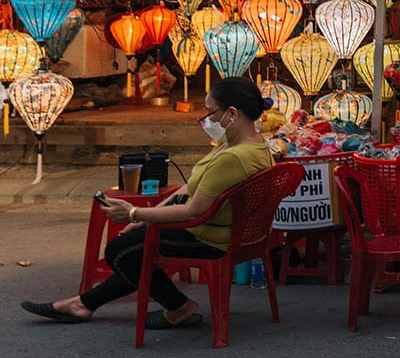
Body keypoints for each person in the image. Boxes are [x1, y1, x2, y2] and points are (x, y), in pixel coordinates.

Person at [21, 78, 274, 329]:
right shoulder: (246, 145)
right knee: (132, 247)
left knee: (120, 251)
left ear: (232, 113)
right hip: (216, 228)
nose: (206, 120)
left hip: (210, 236)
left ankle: (178, 307)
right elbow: (189, 188)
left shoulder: (234, 157)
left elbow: (193, 208)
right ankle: (82, 304)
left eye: (210, 112)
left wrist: (133, 213)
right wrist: (147, 215)